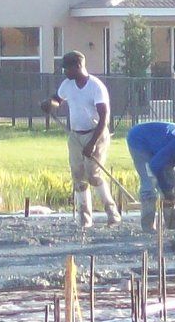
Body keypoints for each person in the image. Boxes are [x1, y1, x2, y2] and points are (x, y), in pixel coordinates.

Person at [42, 51, 120, 228]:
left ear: (77, 66)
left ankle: (112, 213)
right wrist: (49, 105)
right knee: (78, 176)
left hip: (96, 134)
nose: (65, 73)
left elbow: (104, 118)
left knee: (93, 175)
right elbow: (57, 99)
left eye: (67, 69)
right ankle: (85, 219)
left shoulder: (96, 87)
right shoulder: (68, 84)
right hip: (76, 135)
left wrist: (92, 144)